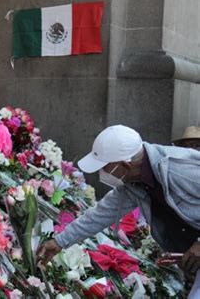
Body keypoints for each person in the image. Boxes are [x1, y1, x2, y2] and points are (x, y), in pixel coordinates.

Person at [37, 125, 200, 298]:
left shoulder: (178, 168)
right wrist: (59, 242)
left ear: (124, 165)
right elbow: (100, 215)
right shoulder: (133, 184)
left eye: (105, 167)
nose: (101, 172)